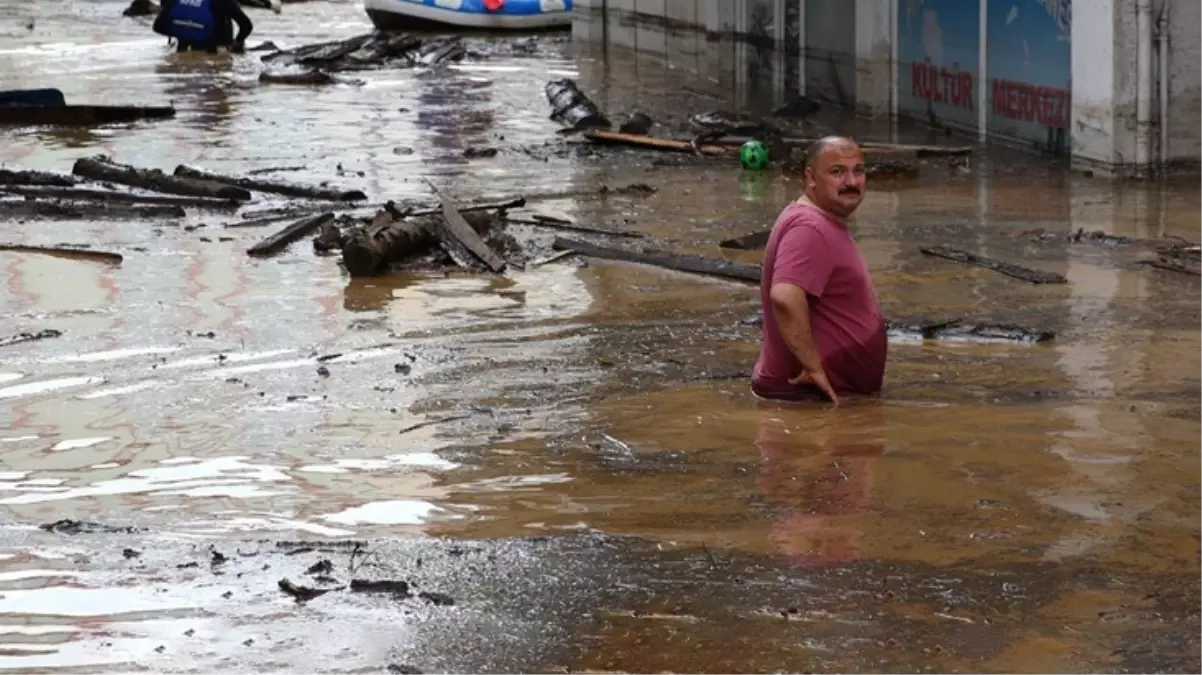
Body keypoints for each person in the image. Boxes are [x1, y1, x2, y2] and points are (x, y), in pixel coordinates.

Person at [751, 136, 887, 405]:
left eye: (858, 171)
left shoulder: (820, 221)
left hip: (823, 400)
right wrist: (813, 368)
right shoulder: (809, 228)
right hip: (804, 399)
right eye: (837, 172)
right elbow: (785, 297)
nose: (851, 182)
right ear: (811, 177)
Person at [153, 0, 253, 54]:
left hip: (181, 54)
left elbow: (158, 27)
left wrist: (185, 30)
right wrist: (237, 42)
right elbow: (246, 26)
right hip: (214, 56)